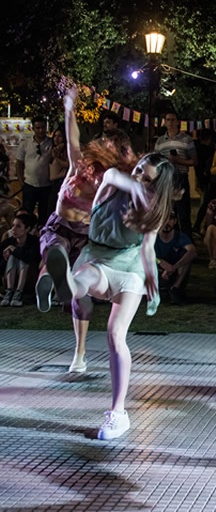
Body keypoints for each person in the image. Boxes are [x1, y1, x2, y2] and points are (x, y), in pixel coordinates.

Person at [64, 152, 178, 440]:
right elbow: (114, 176)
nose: (138, 176)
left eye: (146, 178)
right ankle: (63, 281)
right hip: (98, 257)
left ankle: (118, 414)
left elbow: (148, 248)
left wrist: (152, 278)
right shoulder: (114, 182)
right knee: (81, 281)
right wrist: (135, 185)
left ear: (158, 186)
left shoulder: (154, 208)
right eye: (139, 169)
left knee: (116, 334)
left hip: (130, 268)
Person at [34, 82, 138, 379]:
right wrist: (69, 109)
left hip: (85, 238)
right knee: (54, 249)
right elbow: (72, 138)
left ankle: (79, 353)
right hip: (61, 226)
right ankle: (49, 283)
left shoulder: (111, 181)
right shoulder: (78, 166)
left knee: (80, 296)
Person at [154, 110, 197, 234]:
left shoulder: (186, 139)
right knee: (166, 212)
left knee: (183, 213)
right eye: (168, 120)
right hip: (165, 179)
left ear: (178, 122)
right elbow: (155, 161)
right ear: (165, 122)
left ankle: (186, 241)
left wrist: (179, 160)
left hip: (180, 178)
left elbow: (194, 161)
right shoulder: (160, 141)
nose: (170, 122)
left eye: (173, 120)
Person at [15, 116, 53, 226]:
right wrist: (22, 182)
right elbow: (19, 163)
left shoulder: (51, 143)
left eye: (42, 127)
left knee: (44, 214)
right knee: (27, 214)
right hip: (29, 185)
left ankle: (41, 237)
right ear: (33, 128)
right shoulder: (25, 144)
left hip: (46, 186)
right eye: (38, 128)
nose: (40, 130)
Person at [154, 212, 197, 304]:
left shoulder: (180, 236)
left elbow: (193, 252)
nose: (167, 223)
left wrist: (173, 267)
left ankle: (175, 289)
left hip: (175, 273)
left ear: (175, 222)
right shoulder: (153, 236)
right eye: (164, 220)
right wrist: (159, 262)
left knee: (186, 255)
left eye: (170, 219)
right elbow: (141, 252)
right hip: (156, 271)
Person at [1, 211, 40, 307]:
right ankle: (10, 291)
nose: (14, 229)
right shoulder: (9, 242)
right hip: (10, 278)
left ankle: (19, 292)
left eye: (18, 226)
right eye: (13, 225)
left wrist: (15, 250)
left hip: (29, 279)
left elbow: (30, 258)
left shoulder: (34, 242)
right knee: (12, 257)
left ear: (27, 229)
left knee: (20, 257)